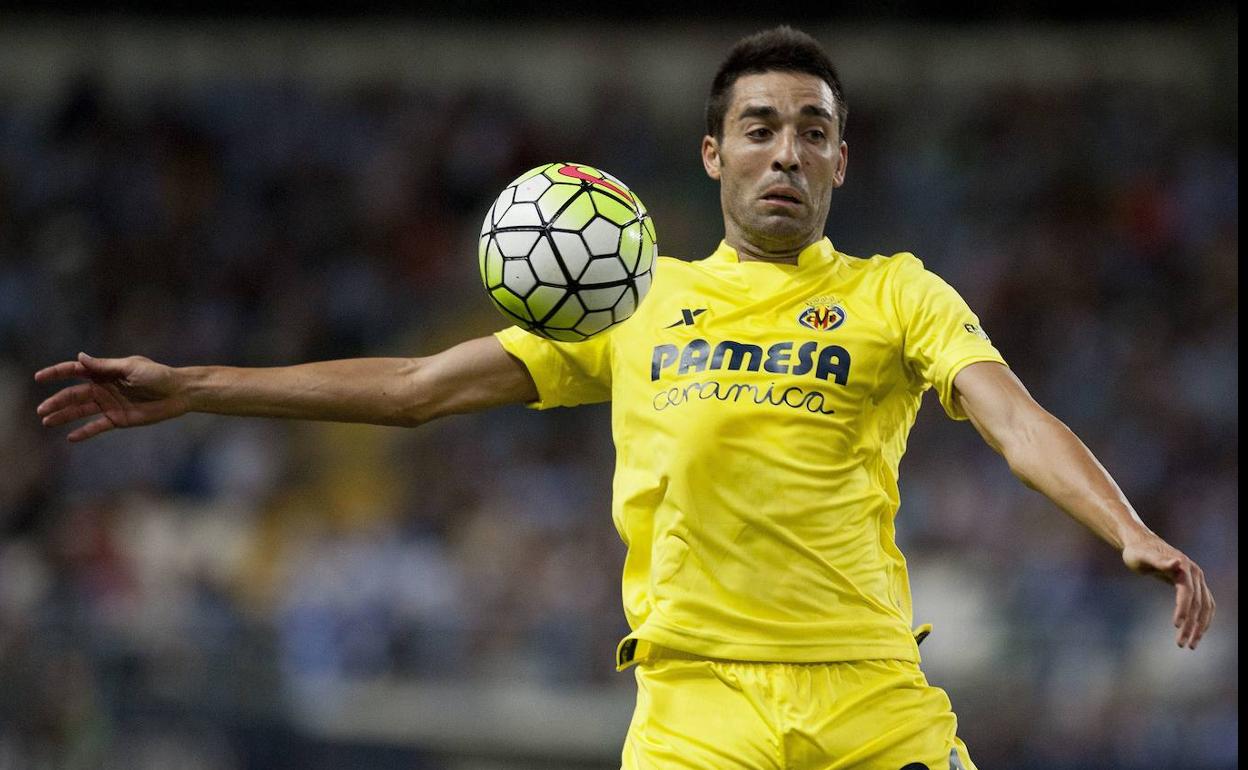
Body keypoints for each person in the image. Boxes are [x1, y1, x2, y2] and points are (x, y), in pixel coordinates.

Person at [35, 26, 1214, 770]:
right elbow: (413, 387)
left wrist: (1126, 525)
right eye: (760, 127)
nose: (787, 152)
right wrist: (195, 385)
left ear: (842, 161)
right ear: (714, 153)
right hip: (693, 709)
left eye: (814, 132)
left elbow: (1013, 418)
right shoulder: (630, 299)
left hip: (871, 696)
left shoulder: (896, 291)